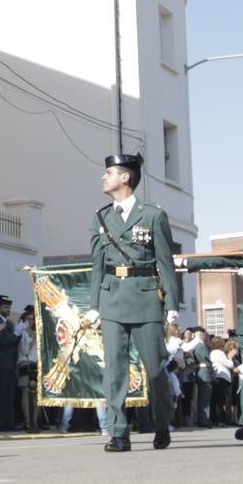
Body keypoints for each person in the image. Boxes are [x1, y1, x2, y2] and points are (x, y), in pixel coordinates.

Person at [82, 152, 180, 452]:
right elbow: (97, 265)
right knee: (113, 370)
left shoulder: (152, 215)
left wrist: (172, 305)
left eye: (109, 172)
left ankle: (162, 424)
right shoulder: (101, 217)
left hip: (145, 297)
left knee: (155, 369)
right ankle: (119, 432)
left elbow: (165, 262)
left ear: (125, 177)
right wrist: (94, 304)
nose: (103, 177)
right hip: (112, 298)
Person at [0, 294, 20, 431]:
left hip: (11, 364)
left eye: (9, 307)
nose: (8, 310)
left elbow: (13, 342)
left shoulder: (10, 323)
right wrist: (16, 335)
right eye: (5, 307)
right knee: (0, 394)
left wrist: (17, 335)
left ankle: (9, 423)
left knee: (9, 395)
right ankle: (0, 423)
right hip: (1, 363)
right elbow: (0, 342)